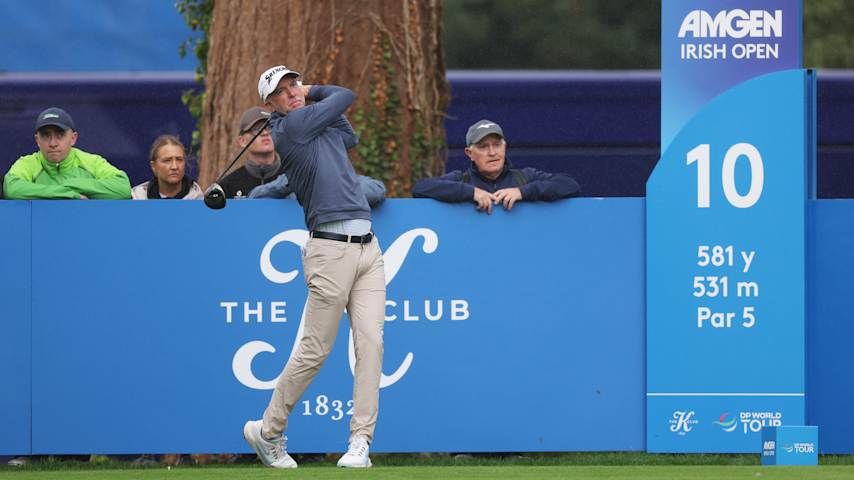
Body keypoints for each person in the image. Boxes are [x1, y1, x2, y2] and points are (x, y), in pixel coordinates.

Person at [242, 65, 385, 469]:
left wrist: (308, 97)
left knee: (371, 344)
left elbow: (348, 136)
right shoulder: (293, 128)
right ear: (270, 104)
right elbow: (345, 94)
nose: (293, 93)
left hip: (368, 249)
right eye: (283, 91)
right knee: (315, 350)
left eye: (295, 85)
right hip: (329, 251)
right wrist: (312, 90)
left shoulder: (312, 124)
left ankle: (361, 441)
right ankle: (268, 431)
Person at [412, 119, 580, 213]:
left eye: (497, 145)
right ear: (469, 153)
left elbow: (570, 185)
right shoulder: (461, 179)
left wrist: (522, 192)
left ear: (505, 146)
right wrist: (471, 192)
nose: (492, 152)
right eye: (484, 147)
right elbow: (420, 188)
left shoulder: (524, 177)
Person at [4, 107, 131, 200]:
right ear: (37, 140)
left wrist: (72, 184)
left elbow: (123, 188)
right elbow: (12, 189)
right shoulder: (27, 163)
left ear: (73, 138)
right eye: (46, 135)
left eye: (60, 135)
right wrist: (68, 194)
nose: (53, 143)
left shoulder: (91, 161)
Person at [218, 107, 287, 198]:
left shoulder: (293, 176)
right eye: (257, 129)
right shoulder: (228, 185)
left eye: (270, 127)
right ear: (242, 141)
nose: (265, 133)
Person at [249, 172, 386, 207]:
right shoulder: (290, 183)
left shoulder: (340, 176)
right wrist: (291, 180)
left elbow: (376, 190)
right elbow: (254, 198)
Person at [132, 135, 203, 200]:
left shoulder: (198, 200)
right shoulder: (137, 198)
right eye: (167, 161)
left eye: (179, 160)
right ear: (153, 166)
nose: (174, 167)